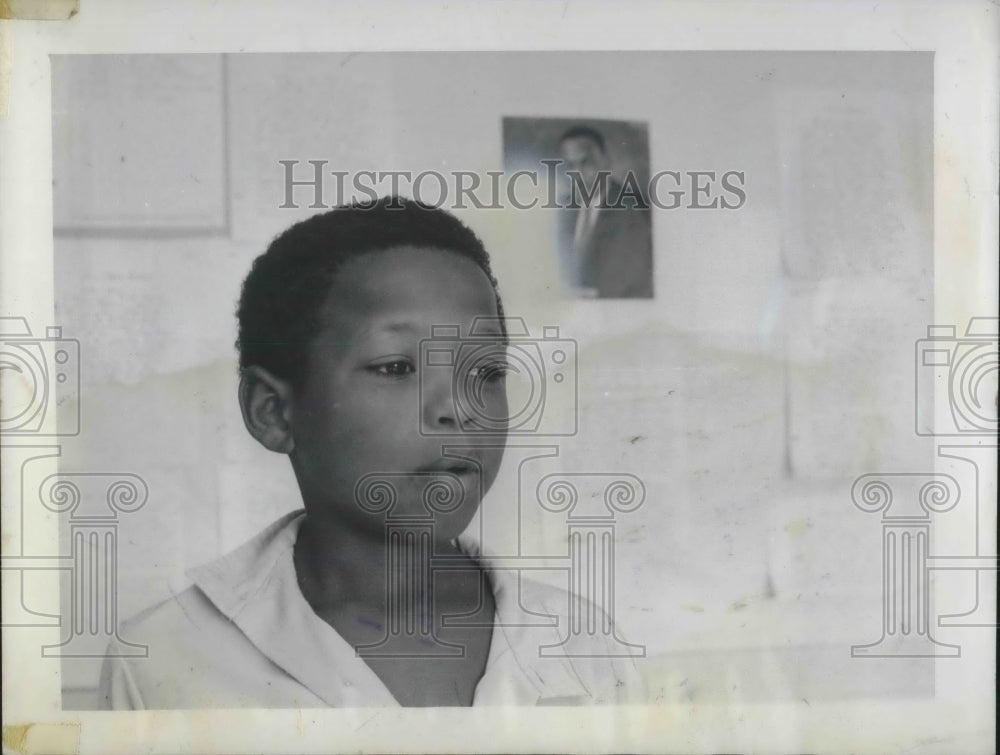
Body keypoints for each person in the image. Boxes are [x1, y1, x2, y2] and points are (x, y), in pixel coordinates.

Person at [99, 196, 645, 708]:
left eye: (485, 372)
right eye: (396, 368)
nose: (457, 408)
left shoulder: (583, 647)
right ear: (274, 411)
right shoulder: (163, 659)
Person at [556, 126, 654, 299]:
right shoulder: (561, 207)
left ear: (606, 161)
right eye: (571, 165)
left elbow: (639, 284)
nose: (577, 173)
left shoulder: (637, 208)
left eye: (586, 162)